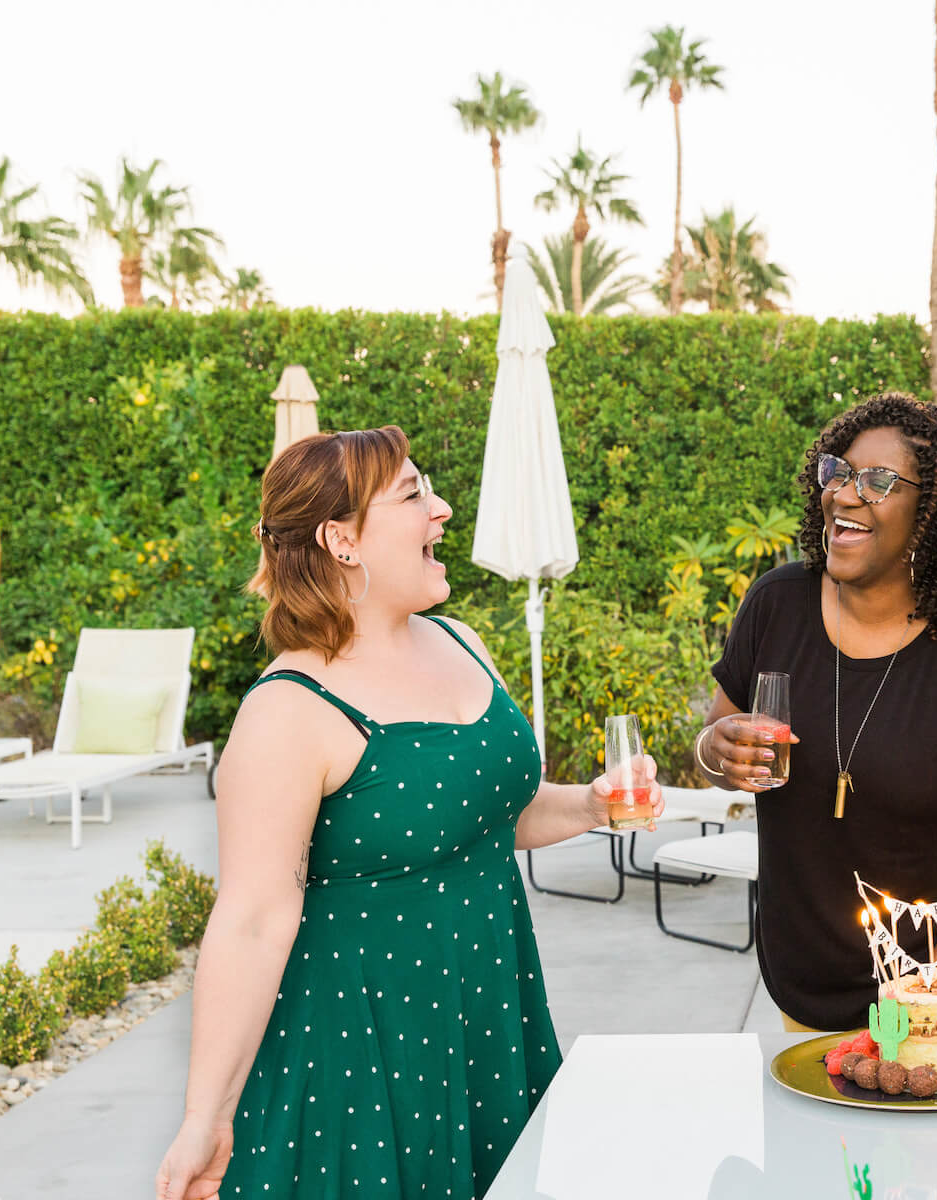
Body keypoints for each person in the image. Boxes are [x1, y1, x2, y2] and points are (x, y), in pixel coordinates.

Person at [154, 427, 660, 1200]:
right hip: (360, 1052)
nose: (443, 509)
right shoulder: (288, 708)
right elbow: (252, 920)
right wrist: (205, 1116)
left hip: (486, 1017)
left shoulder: (463, 642)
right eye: (414, 494)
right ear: (342, 540)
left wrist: (592, 804)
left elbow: (490, 820)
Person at [697, 393, 937, 1031]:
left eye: (878, 482)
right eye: (837, 473)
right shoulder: (776, 605)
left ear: (930, 512)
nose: (844, 494)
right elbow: (716, 752)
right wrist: (715, 751)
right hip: (804, 975)